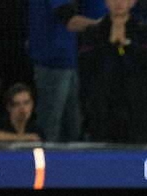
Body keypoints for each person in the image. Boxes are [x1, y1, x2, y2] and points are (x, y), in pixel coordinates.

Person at [79, 0, 147, 143]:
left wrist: (127, 45)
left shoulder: (144, 31)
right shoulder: (92, 31)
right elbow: (85, 67)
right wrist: (109, 46)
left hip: (136, 107)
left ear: (132, 2)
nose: (119, 2)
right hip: (102, 107)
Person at [28, 0, 101, 142]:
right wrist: (105, 25)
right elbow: (70, 20)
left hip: (68, 62)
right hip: (52, 64)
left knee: (73, 128)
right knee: (50, 129)